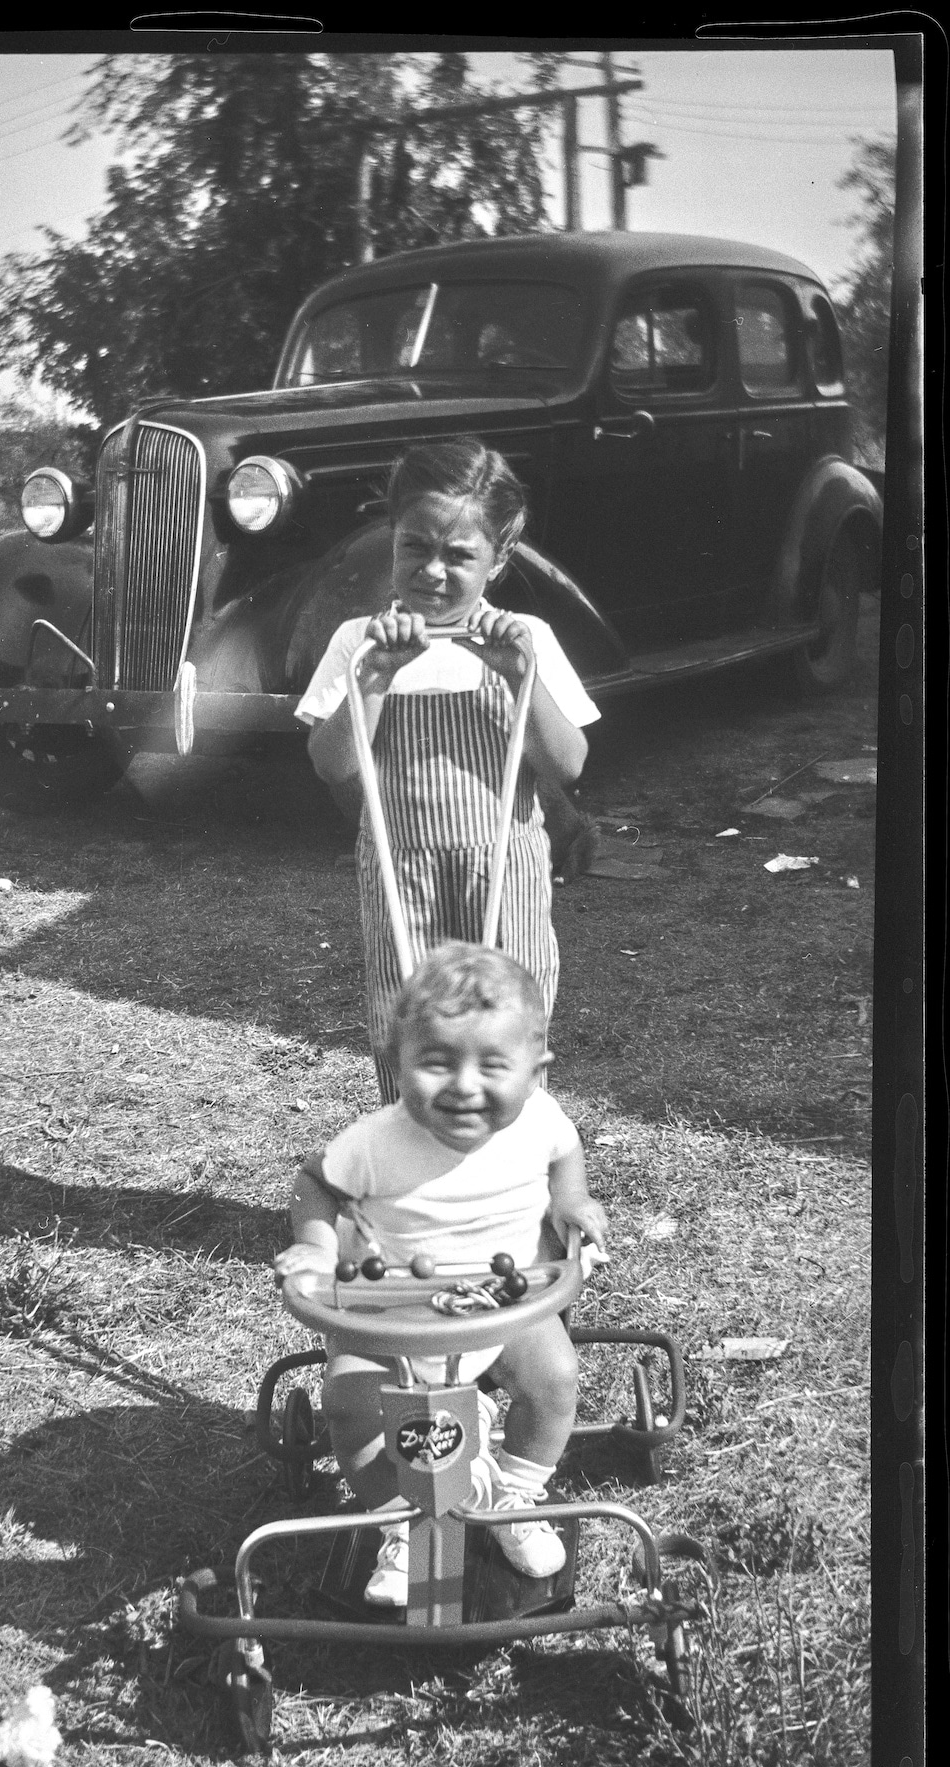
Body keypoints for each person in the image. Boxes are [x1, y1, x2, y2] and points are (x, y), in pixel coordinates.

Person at [275, 943, 609, 1610]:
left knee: (555, 1377)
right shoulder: (375, 1141)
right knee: (348, 1402)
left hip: (499, 1299)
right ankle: (402, 1518)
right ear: (399, 1065)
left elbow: (565, 1151)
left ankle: (512, 1496)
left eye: (492, 1065)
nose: (463, 1085)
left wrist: (571, 1200)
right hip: (387, 1307)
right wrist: (316, 1246)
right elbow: (314, 1181)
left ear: (535, 1071)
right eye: (436, 1062)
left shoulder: (540, 1119)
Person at [296, 436, 602, 1104]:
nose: (432, 571)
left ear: (499, 558)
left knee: (508, 1015)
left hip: (503, 867)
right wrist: (373, 678)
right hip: (402, 870)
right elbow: (332, 764)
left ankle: (514, 1169)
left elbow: (568, 763)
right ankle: (413, 1165)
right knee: (409, 1015)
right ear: (393, 538)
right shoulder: (359, 641)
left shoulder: (524, 639)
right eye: (415, 547)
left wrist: (521, 677)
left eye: (459, 554)